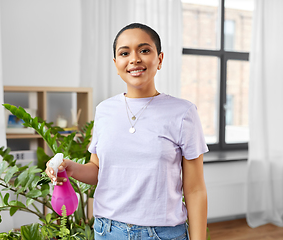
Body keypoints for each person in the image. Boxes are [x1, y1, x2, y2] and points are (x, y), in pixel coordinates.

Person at [46, 23, 208, 240]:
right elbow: (98, 169)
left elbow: (195, 190)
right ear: (116, 63)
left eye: (144, 50)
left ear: (159, 59)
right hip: (108, 231)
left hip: (163, 234)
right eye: (124, 53)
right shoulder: (104, 110)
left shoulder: (183, 112)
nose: (134, 59)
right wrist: (70, 168)